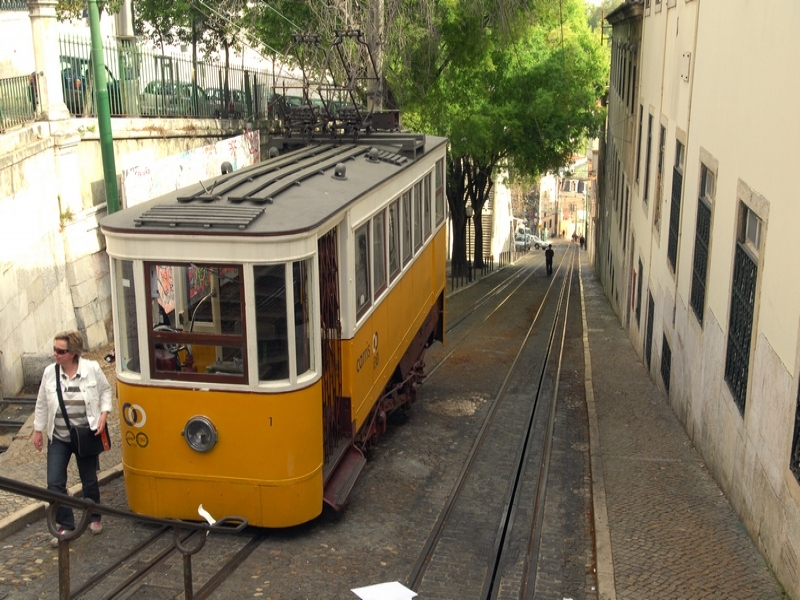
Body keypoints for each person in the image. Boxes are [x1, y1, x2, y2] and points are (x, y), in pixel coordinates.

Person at [33, 330, 113, 546]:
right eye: (55, 349)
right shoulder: (50, 372)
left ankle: (94, 517)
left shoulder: (92, 369)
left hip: (85, 434)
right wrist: (38, 430)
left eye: (61, 351)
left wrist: (103, 416)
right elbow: (41, 402)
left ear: (73, 353)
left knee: (89, 480)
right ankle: (65, 524)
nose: (55, 354)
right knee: (54, 482)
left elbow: (106, 392)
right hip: (58, 436)